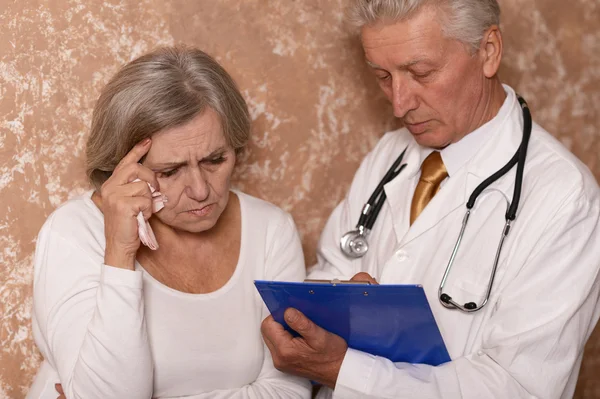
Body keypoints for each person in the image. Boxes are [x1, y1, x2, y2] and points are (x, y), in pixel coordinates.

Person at [261, 1, 600, 398]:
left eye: (420, 73)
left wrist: (343, 369)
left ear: (488, 51)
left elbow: (517, 387)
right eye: (383, 76)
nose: (399, 103)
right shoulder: (389, 155)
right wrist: (319, 317)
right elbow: (330, 270)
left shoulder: (565, 198)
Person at [27, 46, 311, 399]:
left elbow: (290, 389)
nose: (200, 190)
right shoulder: (73, 232)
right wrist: (119, 253)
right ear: (124, 168)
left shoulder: (270, 230)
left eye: (215, 160)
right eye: (170, 171)